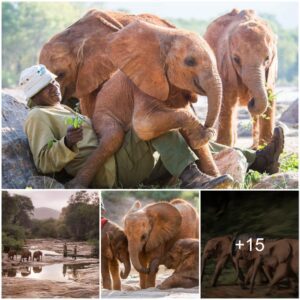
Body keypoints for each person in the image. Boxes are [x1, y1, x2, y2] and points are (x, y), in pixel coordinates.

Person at [20, 65, 284, 188]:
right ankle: (192, 178)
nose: (54, 87)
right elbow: (44, 162)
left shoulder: (63, 108)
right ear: (35, 94)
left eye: (54, 82)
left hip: (119, 155)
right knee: (158, 124)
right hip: (109, 171)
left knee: (181, 128)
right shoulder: (38, 116)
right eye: (46, 86)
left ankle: (259, 159)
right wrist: (67, 144)